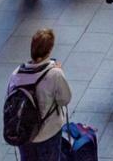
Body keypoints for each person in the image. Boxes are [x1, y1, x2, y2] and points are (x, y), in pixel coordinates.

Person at [6, 28, 74, 160]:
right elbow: (65, 99)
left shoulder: (16, 74)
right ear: (49, 51)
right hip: (48, 133)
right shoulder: (54, 73)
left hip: (24, 133)